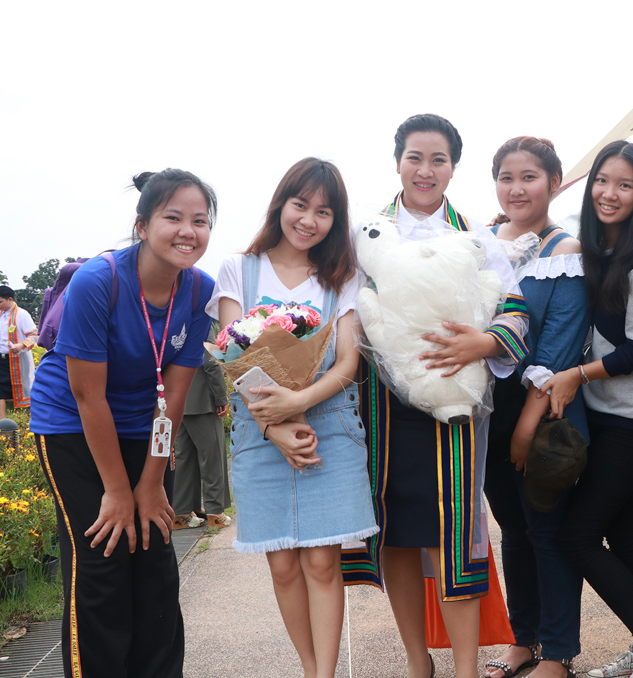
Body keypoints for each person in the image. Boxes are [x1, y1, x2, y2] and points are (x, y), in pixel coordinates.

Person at [346, 114, 529, 678]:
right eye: (415, 158)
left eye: (438, 160)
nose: (425, 171)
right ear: (397, 161)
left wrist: (484, 342)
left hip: (455, 404)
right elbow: (344, 311)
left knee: (453, 533)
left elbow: (515, 310)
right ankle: (416, 660)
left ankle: (466, 668)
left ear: (453, 167)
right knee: (396, 533)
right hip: (383, 409)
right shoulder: (365, 235)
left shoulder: (473, 236)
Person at [29, 168, 218, 678]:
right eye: (173, 218)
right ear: (142, 226)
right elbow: (87, 395)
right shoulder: (99, 281)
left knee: (155, 556)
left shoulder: (198, 290)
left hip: (144, 425)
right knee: (103, 558)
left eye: (200, 221)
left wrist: (151, 484)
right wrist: (117, 490)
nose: (188, 231)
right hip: (72, 424)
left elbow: (173, 397)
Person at [208, 157, 378, 678]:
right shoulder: (239, 269)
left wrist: (298, 404)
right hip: (260, 430)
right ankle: (309, 668)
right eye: (300, 205)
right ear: (280, 204)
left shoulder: (342, 277)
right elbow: (235, 356)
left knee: (323, 562)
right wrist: (274, 424)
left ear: (336, 221)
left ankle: (324, 674)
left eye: (324, 212)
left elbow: (347, 363)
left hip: (328, 427)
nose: (309, 220)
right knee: (282, 565)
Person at [541, 141, 633, 678]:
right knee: (624, 534)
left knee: (577, 536)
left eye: (625, 185)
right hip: (603, 415)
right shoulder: (599, 250)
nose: (609, 193)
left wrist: (576, 374)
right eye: (602, 181)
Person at [483, 137, 588, 678]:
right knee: (512, 530)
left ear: (554, 182)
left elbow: (558, 348)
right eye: (506, 177)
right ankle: (522, 639)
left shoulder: (564, 249)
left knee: (546, 531)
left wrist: (525, 427)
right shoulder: (479, 242)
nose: (516, 188)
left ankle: (559, 651)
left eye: (529, 177)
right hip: (485, 412)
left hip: (545, 415)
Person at [172, 347, 231, 529]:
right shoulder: (202, 326)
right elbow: (210, 361)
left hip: (177, 397)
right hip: (202, 399)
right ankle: (215, 513)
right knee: (213, 457)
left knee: (184, 458)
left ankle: (181, 513)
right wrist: (221, 396)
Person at [0, 285, 38, 418]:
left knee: (26, 391)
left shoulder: (22, 314)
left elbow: (34, 336)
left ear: (10, 299)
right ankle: (2, 424)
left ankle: (30, 420)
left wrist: (21, 345)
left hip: (17, 360)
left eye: (0, 302)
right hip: (1, 359)